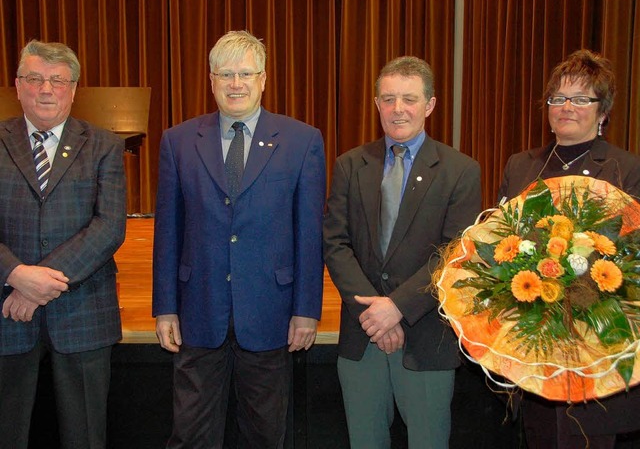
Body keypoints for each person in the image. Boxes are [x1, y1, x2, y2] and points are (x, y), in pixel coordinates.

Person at [152, 30, 326, 448]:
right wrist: (165, 308)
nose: (236, 83)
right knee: (190, 434)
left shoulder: (303, 142)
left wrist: (306, 310)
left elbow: (309, 234)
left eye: (245, 73)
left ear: (264, 79)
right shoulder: (178, 141)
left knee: (265, 435)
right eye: (226, 73)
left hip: (271, 314)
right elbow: (168, 232)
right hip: (198, 311)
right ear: (210, 80)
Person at [323, 56, 482, 448]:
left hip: (426, 338)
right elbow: (335, 243)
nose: (398, 109)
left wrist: (397, 307)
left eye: (409, 99)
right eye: (388, 98)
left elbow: (454, 253)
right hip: (363, 339)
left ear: (429, 105)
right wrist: (373, 313)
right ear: (377, 104)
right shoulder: (349, 165)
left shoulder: (460, 170)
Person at [498, 49, 640, 448]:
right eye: (557, 99)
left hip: (597, 350)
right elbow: (501, 242)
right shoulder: (522, 165)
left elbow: (632, 261)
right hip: (536, 346)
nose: (566, 108)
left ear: (603, 111)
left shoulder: (625, 169)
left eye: (580, 99)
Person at [0, 40, 127, 448]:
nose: (46, 89)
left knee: (86, 437)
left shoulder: (104, 145)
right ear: (17, 86)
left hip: (82, 314)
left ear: (74, 88)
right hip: (6, 312)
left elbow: (109, 227)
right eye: (35, 78)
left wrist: (38, 287)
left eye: (57, 80)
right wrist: (15, 274)